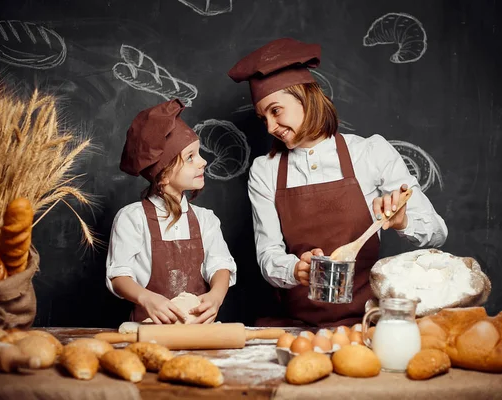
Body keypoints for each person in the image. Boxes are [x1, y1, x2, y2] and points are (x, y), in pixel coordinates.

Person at [228, 38, 448, 327]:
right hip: (293, 324)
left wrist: (402, 221)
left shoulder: (369, 152)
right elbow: (268, 255)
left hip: (367, 322)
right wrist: (297, 269)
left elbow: (437, 232)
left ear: (305, 96)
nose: (270, 127)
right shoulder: (265, 170)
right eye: (262, 118)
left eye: (276, 111)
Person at [106, 99, 237, 324]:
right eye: (190, 157)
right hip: (148, 330)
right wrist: (146, 298)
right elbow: (119, 275)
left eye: (199, 153)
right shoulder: (132, 218)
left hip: (198, 332)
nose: (203, 161)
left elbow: (220, 265)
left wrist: (216, 297)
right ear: (164, 175)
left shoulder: (206, 219)